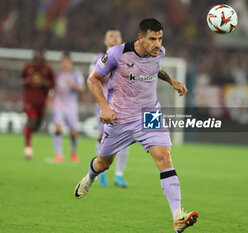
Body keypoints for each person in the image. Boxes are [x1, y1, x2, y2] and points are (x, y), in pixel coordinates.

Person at [74, 18, 198, 232]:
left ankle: (178, 216)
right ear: (140, 38)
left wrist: (172, 81)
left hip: (150, 114)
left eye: (160, 39)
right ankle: (90, 176)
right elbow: (92, 80)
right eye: (152, 39)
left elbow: (155, 69)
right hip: (120, 119)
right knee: (104, 164)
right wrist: (104, 107)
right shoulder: (116, 54)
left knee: (165, 158)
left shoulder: (159, 52)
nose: (157, 44)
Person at [89, 27, 129, 187]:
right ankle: (102, 173)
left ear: (121, 40)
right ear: (105, 41)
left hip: (123, 105)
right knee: (102, 138)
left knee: (125, 139)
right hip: (104, 104)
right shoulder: (98, 58)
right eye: (111, 36)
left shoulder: (127, 57)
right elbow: (94, 77)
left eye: (117, 36)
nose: (114, 38)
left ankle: (119, 175)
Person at [20, 49, 55, 159]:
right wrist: (27, 81)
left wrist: (46, 84)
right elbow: (21, 80)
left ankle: (27, 131)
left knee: (37, 125)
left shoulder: (47, 69)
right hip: (29, 101)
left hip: (41, 102)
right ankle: (28, 148)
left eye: (43, 55)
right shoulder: (28, 67)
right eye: (39, 55)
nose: (41, 57)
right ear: (35, 56)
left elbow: (52, 84)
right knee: (32, 120)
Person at [51, 52, 85, 163]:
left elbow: (82, 89)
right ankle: (58, 154)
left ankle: (73, 152)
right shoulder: (57, 75)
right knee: (57, 128)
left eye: (67, 62)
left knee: (73, 131)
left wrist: (72, 84)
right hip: (58, 104)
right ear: (61, 63)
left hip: (71, 106)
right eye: (63, 62)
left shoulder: (76, 74)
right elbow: (52, 89)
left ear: (71, 63)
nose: (65, 64)